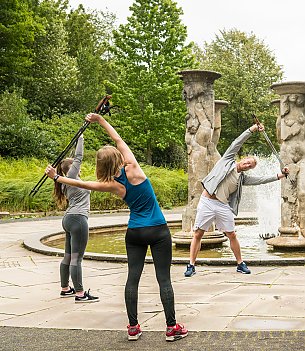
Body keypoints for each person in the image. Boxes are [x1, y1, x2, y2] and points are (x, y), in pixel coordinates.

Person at [45, 113, 188, 342]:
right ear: (119, 157)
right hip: (158, 230)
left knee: (133, 279)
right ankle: (172, 328)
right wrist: (100, 120)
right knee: (164, 279)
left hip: (135, 233)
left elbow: (83, 183)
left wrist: (57, 178)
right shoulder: (133, 168)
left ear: (100, 165)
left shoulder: (110, 185)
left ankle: (133, 327)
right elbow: (118, 139)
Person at [184, 123, 289, 277]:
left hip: (222, 206)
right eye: (247, 161)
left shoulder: (242, 179)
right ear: (243, 159)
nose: (247, 165)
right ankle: (191, 265)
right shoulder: (227, 160)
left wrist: (279, 176)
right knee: (198, 233)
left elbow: (260, 180)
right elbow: (237, 142)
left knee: (232, 234)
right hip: (207, 201)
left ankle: (240, 264)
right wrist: (252, 129)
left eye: (250, 166)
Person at [54, 134, 99, 303]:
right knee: (76, 258)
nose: (78, 166)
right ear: (70, 169)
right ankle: (80, 293)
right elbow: (78, 157)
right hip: (78, 219)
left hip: (68, 219)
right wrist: (81, 138)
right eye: (75, 166)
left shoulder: (65, 181)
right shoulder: (71, 178)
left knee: (68, 256)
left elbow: (76, 160)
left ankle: (65, 288)